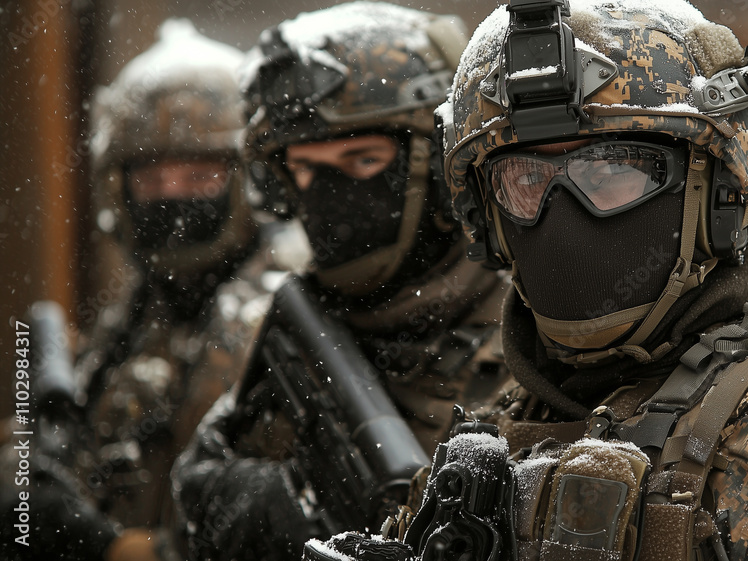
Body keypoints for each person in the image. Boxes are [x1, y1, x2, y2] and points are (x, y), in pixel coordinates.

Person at [316, 2, 748, 560]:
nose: (561, 214)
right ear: (489, 219)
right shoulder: (484, 447)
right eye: (527, 181)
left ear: (712, 194)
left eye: (609, 170)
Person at [171, 4, 509, 560]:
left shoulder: (533, 333)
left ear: (442, 164)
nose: (330, 194)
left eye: (363, 160)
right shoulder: (276, 332)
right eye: (305, 167)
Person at [0, 19, 273, 561]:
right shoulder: (139, 311)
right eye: (151, 178)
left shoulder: (291, 316)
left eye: (200, 175)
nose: (172, 198)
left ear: (248, 175)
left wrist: (115, 548)